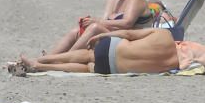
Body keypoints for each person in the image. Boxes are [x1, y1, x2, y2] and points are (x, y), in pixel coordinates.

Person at [14, 27, 179, 75]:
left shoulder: (164, 34)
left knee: (88, 55)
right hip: (113, 69)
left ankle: (43, 59)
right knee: (88, 67)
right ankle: (40, 66)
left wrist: (103, 35)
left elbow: (128, 33)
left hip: (113, 48)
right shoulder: (174, 64)